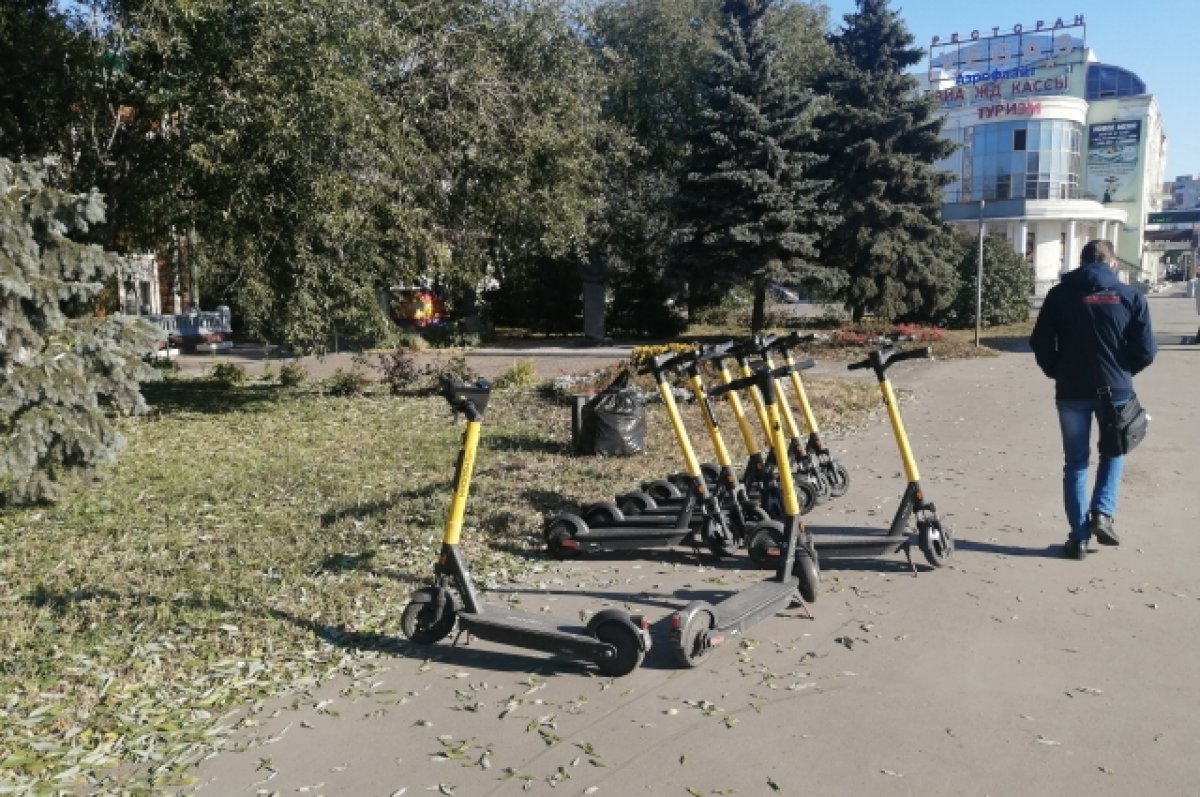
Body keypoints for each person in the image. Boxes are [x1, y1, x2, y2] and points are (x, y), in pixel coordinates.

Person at [1030, 239, 1157, 560]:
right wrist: (1123, 372)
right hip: (1116, 391)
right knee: (1114, 452)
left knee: (1075, 463)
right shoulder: (1129, 296)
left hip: (1071, 391)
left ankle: (1079, 538)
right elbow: (1146, 350)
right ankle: (1102, 512)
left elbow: (1040, 341)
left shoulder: (1060, 294)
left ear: (1081, 262)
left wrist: (1056, 370)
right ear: (1113, 263)